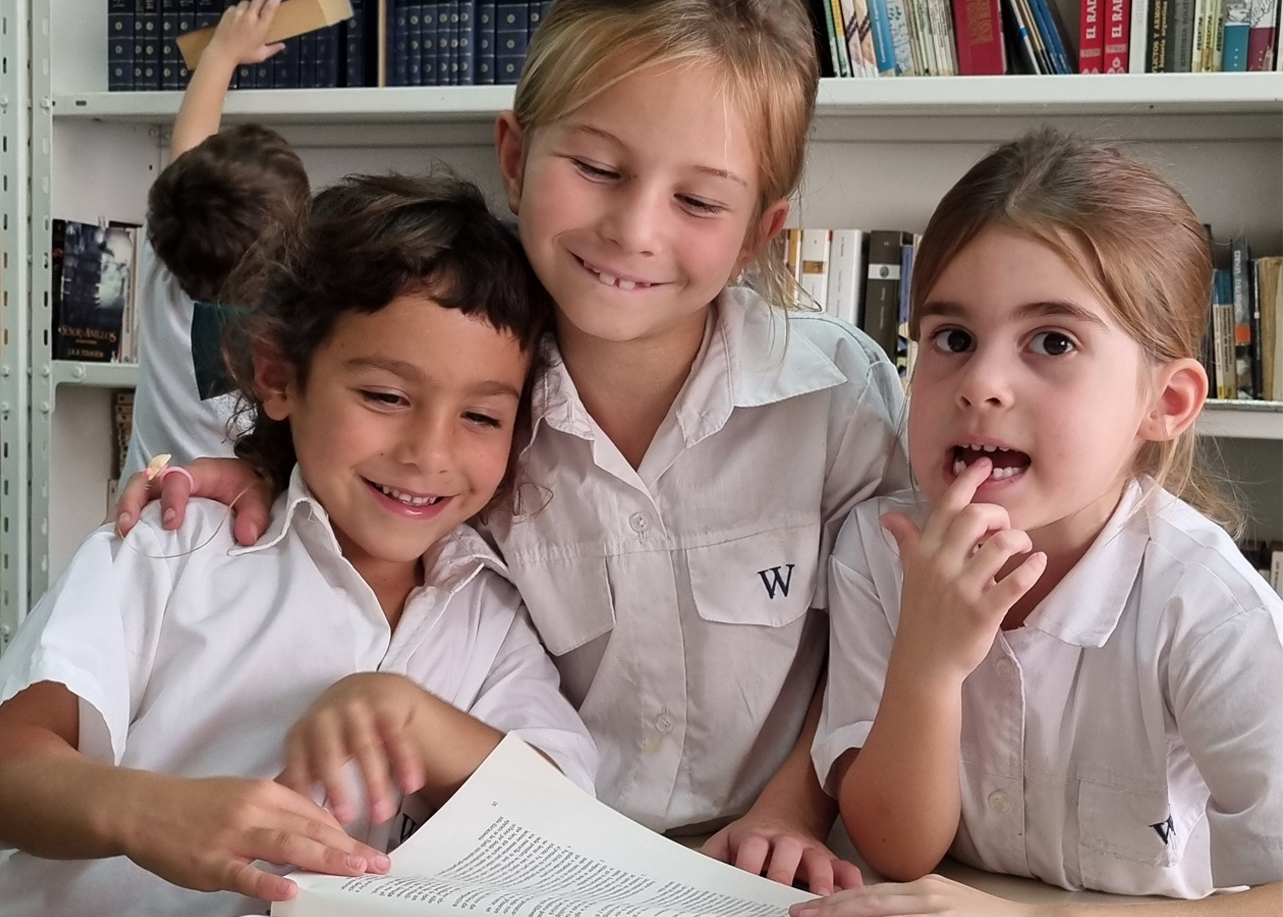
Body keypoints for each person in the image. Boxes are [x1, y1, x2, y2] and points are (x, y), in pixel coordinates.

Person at [116, 0, 910, 894]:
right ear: (515, 157)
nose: (635, 229)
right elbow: (377, 476)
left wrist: (792, 808)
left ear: (760, 233)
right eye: (598, 167)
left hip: (789, 862)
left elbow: (878, 638)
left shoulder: (837, 395)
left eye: (696, 199)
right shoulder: (470, 411)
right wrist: (273, 463)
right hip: (544, 863)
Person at [0, 173, 597, 917]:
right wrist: (143, 811)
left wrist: (413, 717)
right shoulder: (176, 548)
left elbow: (569, 821)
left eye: (481, 415)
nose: (428, 451)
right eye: (386, 396)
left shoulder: (489, 615)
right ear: (279, 374)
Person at [803, 128, 1283, 917]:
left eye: (1051, 341)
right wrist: (927, 664)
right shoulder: (879, 547)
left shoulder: (1205, 609)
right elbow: (895, 847)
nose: (981, 383)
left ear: (1162, 403)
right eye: (951, 338)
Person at [121, 0, 308, 480]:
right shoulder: (298, 320)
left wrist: (220, 53)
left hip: (151, 512)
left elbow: (189, 144)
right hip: (242, 518)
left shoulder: (171, 254)